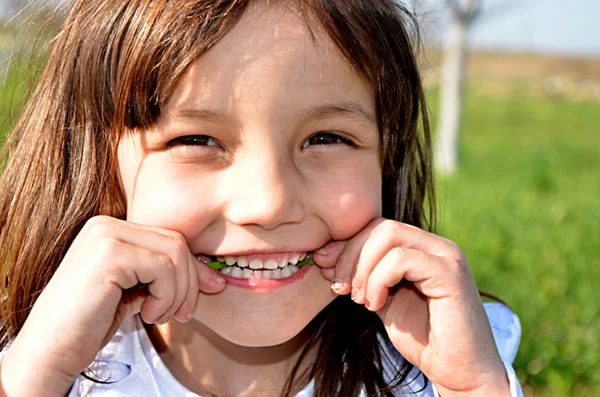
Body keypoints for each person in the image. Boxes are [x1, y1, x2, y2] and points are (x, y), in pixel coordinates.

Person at [0, 0, 523, 396]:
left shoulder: (456, 360)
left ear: (388, 158)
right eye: (197, 140)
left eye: (326, 138)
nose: (269, 203)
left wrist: (475, 389)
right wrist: (32, 381)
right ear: (95, 158)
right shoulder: (34, 359)